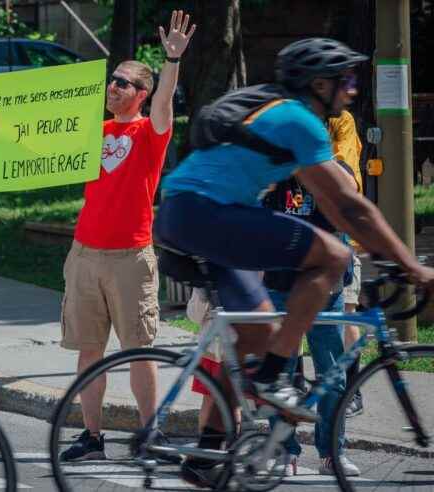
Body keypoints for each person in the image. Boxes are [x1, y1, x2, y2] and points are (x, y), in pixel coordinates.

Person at [155, 38, 434, 487]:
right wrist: (413, 267)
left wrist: (387, 254)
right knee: (334, 255)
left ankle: (206, 457)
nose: (352, 89)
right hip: (207, 215)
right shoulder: (299, 121)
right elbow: (351, 207)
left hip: (189, 214)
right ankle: (274, 379)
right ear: (318, 83)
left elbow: (335, 201)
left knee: (252, 336)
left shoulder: (281, 116)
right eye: (345, 79)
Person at [0, 10, 196, 461]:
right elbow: (38, 141)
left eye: (122, 83)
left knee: (139, 351)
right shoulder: (91, 131)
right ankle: (92, 437)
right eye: (111, 81)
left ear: (141, 93)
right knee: (89, 352)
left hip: (131, 258)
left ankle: (149, 435)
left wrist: (170, 61)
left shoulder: (150, 131)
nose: (112, 87)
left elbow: (164, 104)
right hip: (85, 255)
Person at [261, 160, 359, 477]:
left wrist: (315, 163)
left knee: (333, 374)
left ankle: (332, 453)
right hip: (280, 286)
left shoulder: (330, 167)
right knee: (282, 376)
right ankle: (284, 452)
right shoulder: (273, 170)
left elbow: (352, 189)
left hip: (324, 288)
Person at [328, 110, 366, 418]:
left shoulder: (342, 120)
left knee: (346, 312)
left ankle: (354, 388)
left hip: (342, 234)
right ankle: (297, 381)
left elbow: (348, 176)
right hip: (304, 230)